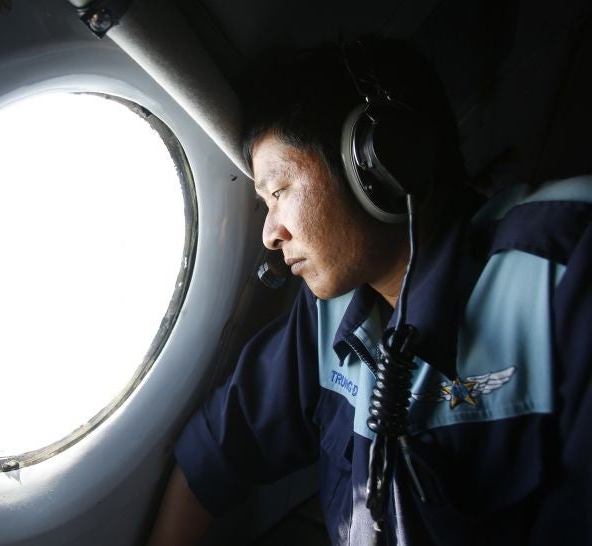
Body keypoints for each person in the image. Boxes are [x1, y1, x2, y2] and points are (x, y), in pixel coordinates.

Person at [147, 37, 592, 546]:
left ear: (381, 162)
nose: (270, 234)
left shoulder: (563, 272)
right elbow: (215, 452)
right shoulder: (329, 314)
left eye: (278, 191)